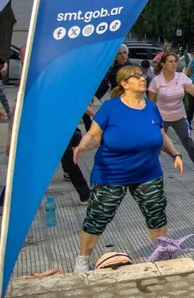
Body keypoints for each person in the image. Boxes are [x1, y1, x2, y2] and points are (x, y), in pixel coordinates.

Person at [71, 65, 184, 272]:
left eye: (143, 75)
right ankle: (82, 260)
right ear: (124, 84)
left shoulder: (151, 106)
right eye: (137, 76)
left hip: (148, 173)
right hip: (111, 174)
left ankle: (162, 255)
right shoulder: (110, 107)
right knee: (98, 217)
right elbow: (94, 135)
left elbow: (161, 135)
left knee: (156, 215)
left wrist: (175, 154)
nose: (143, 78)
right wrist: (82, 147)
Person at [148, 52, 194, 181]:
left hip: (179, 116)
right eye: (170, 61)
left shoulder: (181, 77)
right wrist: (150, 120)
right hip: (161, 118)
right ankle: (151, 171)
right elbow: (151, 103)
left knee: (189, 143)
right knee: (156, 145)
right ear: (163, 64)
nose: (174, 64)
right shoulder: (157, 81)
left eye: (175, 61)